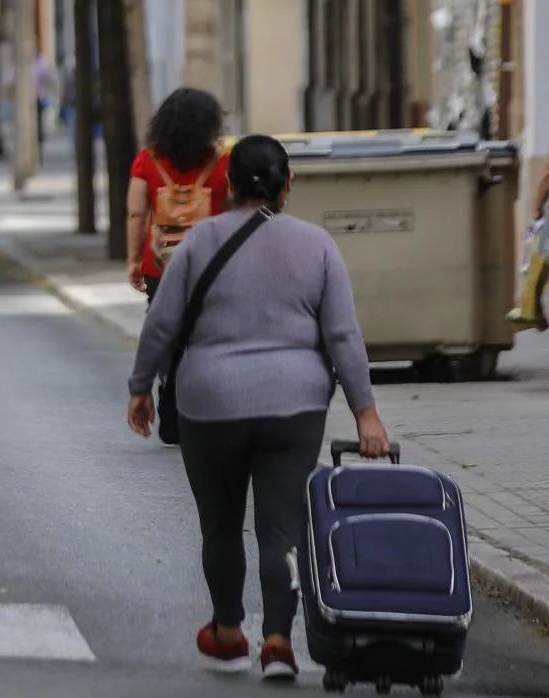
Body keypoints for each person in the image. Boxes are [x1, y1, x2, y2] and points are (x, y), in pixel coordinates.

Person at [126, 134, 390, 681]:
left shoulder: (198, 245)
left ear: (225, 186)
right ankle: (276, 642)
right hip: (293, 408)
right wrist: (366, 411)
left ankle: (226, 631)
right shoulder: (317, 246)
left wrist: (140, 388)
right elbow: (343, 335)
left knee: (220, 525)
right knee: (280, 528)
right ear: (287, 184)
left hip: (210, 404)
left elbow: (162, 324)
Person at [126, 87, 229, 303]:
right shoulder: (223, 163)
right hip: (213, 266)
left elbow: (136, 214)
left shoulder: (146, 160)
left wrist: (134, 260)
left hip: (161, 266)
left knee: (163, 328)